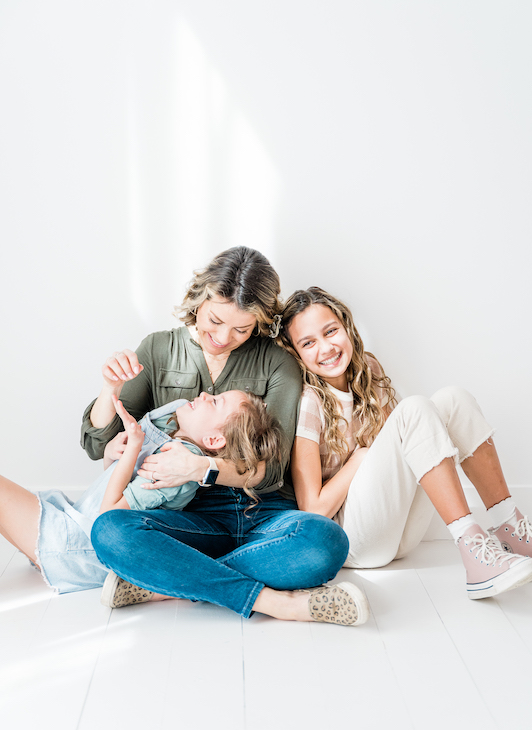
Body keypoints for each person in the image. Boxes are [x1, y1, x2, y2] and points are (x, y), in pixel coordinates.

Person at [87, 247, 366, 626]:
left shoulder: (276, 362)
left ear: (259, 322)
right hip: (190, 519)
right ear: (199, 299)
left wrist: (202, 467)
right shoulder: (158, 349)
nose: (222, 337)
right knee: (110, 532)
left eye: (241, 329)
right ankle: (277, 603)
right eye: (215, 320)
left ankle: (169, 582)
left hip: (267, 514)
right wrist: (110, 389)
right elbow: (98, 445)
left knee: (325, 541)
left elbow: (272, 469)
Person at [279, 286, 532, 600]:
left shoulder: (367, 371)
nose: (326, 347)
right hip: (353, 542)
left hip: (400, 534)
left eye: (331, 331)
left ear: (346, 327)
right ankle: (473, 550)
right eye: (308, 342)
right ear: (296, 353)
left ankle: (511, 528)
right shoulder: (310, 401)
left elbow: (408, 448)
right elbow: (313, 510)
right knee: (413, 408)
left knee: (453, 399)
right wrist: (359, 460)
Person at [0, 387, 279, 595]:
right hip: (73, 523)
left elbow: (109, 514)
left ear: (214, 439)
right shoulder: (173, 440)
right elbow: (112, 487)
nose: (205, 394)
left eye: (215, 401)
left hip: (75, 546)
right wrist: (112, 455)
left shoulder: (173, 470)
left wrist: (134, 447)